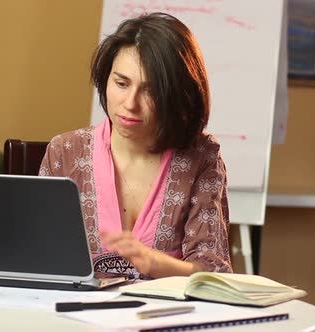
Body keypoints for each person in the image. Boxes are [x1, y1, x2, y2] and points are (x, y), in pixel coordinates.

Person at [39, 12, 232, 278]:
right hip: (77, 316)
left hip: (166, 317)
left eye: (150, 90)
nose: (130, 104)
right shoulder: (64, 152)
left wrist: (156, 264)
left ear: (178, 95)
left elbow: (213, 271)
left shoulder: (202, 158)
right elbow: (39, 256)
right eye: (121, 83)